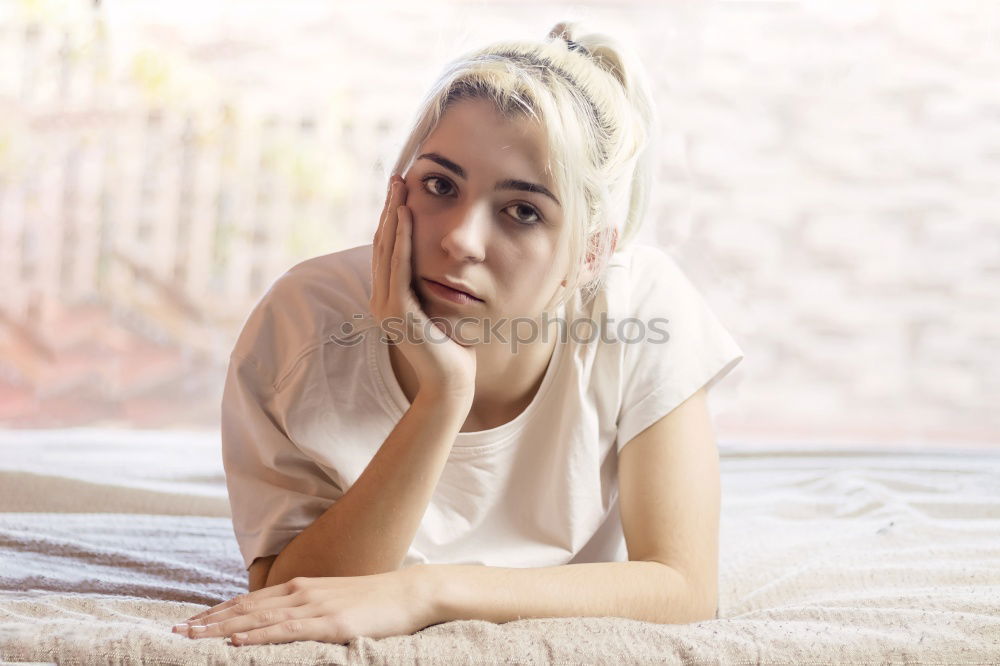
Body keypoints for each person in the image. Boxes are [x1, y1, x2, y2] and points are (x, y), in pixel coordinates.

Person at [174, 20, 744, 646]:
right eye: (439, 185)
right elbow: (291, 595)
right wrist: (442, 396)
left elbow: (683, 587)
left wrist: (427, 590)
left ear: (590, 252)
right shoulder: (303, 322)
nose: (459, 240)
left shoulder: (640, 305)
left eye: (522, 211)